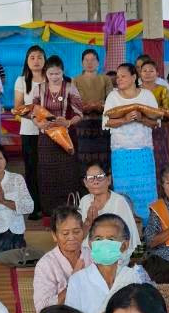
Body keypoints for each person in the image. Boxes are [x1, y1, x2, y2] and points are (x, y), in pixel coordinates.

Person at [66, 213, 146, 313]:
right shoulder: (77, 281)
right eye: (98, 239)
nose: (104, 243)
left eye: (111, 239)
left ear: (124, 245)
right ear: (90, 244)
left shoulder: (133, 277)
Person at [104, 61, 160, 220]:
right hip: (120, 152)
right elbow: (107, 122)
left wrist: (141, 118)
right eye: (118, 77)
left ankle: (149, 225)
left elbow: (156, 122)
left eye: (123, 76)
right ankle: (126, 226)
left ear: (134, 77)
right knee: (123, 190)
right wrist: (125, 119)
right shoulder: (113, 96)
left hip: (143, 151)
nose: (119, 79)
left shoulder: (147, 95)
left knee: (146, 190)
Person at [36, 56, 83, 214]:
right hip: (46, 139)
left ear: (63, 72)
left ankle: (69, 211)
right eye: (51, 74)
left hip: (65, 138)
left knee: (67, 174)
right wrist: (39, 124)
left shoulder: (70, 87)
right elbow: (33, 112)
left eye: (57, 73)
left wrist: (68, 122)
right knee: (47, 175)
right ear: (45, 73)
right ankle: (49, 213)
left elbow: (79, 113)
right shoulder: (39, 89)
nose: (54, 77)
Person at [34, 207, 92, 313]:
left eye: (76, 231)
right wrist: (73, 282)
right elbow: (43, 310)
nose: (71, 237)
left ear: (83, 232)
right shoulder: (46, 265)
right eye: (65, 233)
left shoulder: (92, 256)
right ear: (54, 236)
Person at [78, 162, 141, 256]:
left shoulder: (119, 202)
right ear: (85, 183)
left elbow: (128, 237)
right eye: (91, 178)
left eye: (100, 177)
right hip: (87, 255)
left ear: (108, 180)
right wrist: (88, 222)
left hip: (114, 255)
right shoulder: (84, 201)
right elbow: (78, 236)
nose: (95, 181)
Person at [13, 45, 48, 206]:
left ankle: (48, 203)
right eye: (32, 57)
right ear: (27, 61)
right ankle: (34, 205)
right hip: (29, 131)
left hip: (49, 131)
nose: (36, 61)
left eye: (40, 57)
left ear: (45, 60)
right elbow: (18, 107)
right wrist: (34, 118)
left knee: (47, 167)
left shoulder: (51, 79)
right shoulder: (21, 81)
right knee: (31, 168)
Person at [71, 49, 110, 174]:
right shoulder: (75, 80)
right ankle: (85, 183)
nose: (90, 63)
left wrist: (99, 106)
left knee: (103, 159)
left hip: (102, 125)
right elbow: (74, 104)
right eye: (86, 60)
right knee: (84, 159)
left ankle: (104, 182)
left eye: (93, 60)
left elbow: (111, 101)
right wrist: (87, 107)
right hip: (83, 126)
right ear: (82, 63)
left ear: (98, 62)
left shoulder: (106, 79)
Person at [137, 56, 169, 176]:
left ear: (157, 73)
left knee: (160, 158)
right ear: (140, 73)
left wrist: (154, 113)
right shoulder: (135, 90)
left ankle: (161, 184)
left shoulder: (162, 90)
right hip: (139, 129)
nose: (147, 73)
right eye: (144, 71)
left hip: (158, 128)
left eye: (151, 71)